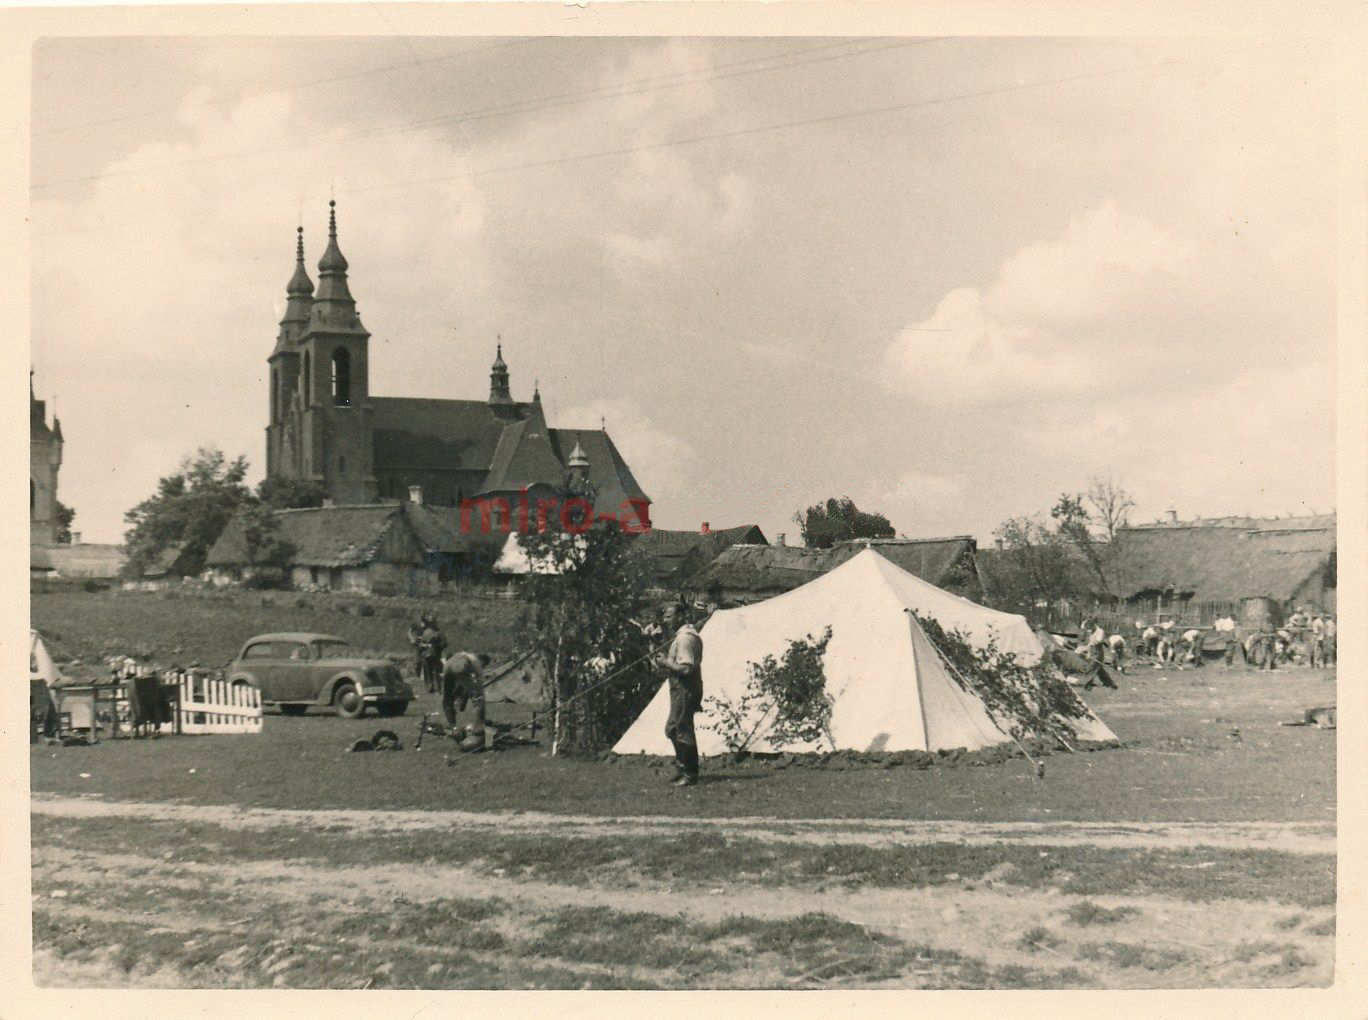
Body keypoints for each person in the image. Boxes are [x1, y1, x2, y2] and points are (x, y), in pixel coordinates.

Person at [658, 602, 704, 787]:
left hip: (685, 688)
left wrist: (665, 663)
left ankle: (690, 774)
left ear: (681, 616)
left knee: (682, 730)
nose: (665, 620)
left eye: (669, 616)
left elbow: (686, 669)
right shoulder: (681, 637)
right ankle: (682, 768)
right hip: (678, 688)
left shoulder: (685, 638)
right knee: (672, 729)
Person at [440, 650, 492, 743]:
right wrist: (479, 690)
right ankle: (479, 725)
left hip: (447, 667)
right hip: (460, 667)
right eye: (484, 665)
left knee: (447, 699)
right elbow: (480, 679)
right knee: (479, 697)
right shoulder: (476, 661)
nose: (483, 667)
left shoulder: (467, 655)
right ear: (482, 661)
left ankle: (452, 724)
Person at [419, 615, 447, 694]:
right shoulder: (425, 632)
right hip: (427, 655)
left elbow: (445, 643)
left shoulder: (440, 632)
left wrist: (437, 646)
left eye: (433, 622)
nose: (432, 624)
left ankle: (439, 688)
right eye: (431, 622)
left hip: (436, 654)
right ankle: (430, 687)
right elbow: (420, 643)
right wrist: (426, 646)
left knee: (437, 672)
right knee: (428, 672)